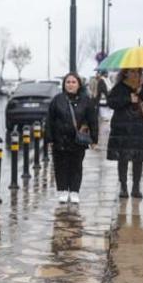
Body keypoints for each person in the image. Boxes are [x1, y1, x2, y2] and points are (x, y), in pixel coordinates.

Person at [106, 68, 143, 198]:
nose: (135, 74)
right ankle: (123, 187)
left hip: (140, 128)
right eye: (132, 71)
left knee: (139, 157)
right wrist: (128, 99)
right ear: (125, 73)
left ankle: (136, 187)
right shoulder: (119, 87)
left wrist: (141, 90)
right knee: (122, 157)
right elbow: (111, 102)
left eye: (138, 71)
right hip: (122, 127)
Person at [44, 72, 99, 204]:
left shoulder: (86, 101)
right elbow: (49, 120)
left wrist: (94, 139)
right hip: (59, 140)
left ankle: (74, 191)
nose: (70, 85)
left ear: (79, 84)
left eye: (73, 82)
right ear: (64, 84)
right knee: (60, 166)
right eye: (68, 82)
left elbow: (93, 121)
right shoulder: (57, 100)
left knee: (76, 166)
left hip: (77, 140)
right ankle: (62, 190)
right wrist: (49, 139)